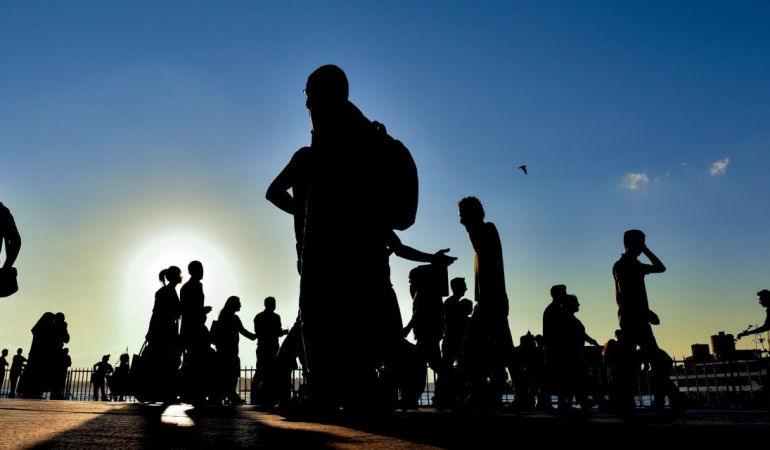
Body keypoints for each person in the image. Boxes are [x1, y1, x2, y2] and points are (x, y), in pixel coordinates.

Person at [266, 64, 452, 412]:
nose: (307, 106)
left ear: (322, 94)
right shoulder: (369, 137)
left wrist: (306, 216)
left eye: (308, 96)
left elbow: (275, 192)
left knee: (319, 319)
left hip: (328, 251)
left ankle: (326, 389)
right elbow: (391, 221)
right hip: (368, 254)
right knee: (369, 330)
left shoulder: (322, 146)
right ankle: (371, 381)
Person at [457, 196, 518, 411]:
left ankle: (479, 393)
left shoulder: (486, 231)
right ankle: (516, 393)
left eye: (463, 216)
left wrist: (483, 300)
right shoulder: (484, 233)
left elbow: (489, 267)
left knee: (471, 346)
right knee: (503, 347)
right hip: (490, 300)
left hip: (492, 301)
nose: (461, 222)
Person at [611, 229, 673, 412]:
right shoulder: (625, 265)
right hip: (635, 318)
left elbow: (661, 268)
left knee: (628, 362)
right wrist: (645, 312)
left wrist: (644, 250)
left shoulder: (631, 264)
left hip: (633, 317)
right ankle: (659, 400)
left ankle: (626, 401)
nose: (642, 248)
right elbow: (627, 294)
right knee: (653, 360)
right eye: (641, 243)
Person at [144, 266, 183, 403]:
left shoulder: (167, 291)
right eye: (179, 274)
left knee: (163, 362)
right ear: (173, 277)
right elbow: (157, 313)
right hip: (164, 331)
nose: (181, 276)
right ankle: (164, 394)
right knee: (165, 362)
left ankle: (160, 393)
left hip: (164, 330)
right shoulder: (167, 292)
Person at [211, 295, 257, 406]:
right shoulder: (234, 318)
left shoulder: (222, 317)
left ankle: (224, 395)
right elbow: (243, 332)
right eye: (239, 303)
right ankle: (231, 395)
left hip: (222, 351)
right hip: (231, 352)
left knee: (223, 375)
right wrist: (257, 335)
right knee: (232, 374)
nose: (240, 305)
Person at [252, 296, 288, 404]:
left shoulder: (258, 317)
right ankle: (269, 396)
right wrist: (284, 332)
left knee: (260, 371)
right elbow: (278, 332)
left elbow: (258, 332)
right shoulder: (276, 317)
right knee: (271, 371)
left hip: (263, 347)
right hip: (272, 347)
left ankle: (256, 396)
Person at [540, 284, 569, 411]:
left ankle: (546, 402)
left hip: (553, 347)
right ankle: (557, 403)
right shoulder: (555, 310)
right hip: (555, 347)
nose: (566, 295)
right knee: (558, 376)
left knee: (553, 376)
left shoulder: (552, 309)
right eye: (564, 292)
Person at [0, 202, 21, 297]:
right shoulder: (2, 212)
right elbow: (16, 241)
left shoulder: (2, 212)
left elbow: (16, 241)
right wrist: (6, 267)